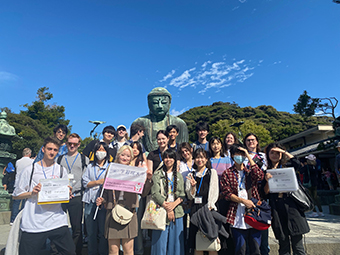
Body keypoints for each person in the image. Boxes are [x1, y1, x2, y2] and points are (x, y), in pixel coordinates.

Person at [12, 136, 75, 255]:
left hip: (57, 219)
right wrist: (32, 193)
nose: (52, 152)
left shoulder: (61, 170)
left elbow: (64, 193)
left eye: (55, 150)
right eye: (49, 149)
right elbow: (16, 195)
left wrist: (68, 193)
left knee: (69, 251)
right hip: (34, 221)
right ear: (43, 149)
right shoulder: (30, 170)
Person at [96, 145, 152, 255]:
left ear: (131, 158)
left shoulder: (136, 172)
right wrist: (102, 200)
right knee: (113, 250)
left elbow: (143, 193)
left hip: (129, 211)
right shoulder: (111, 169)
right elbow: (106, 190)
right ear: (118, 155)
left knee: (128, 250)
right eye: (123, 155)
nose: (125, 158)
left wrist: (148, 180)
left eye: (128, 156)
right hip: (113, 211)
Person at [263, 143, 309, 255]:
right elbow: (265, 192)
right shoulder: (266, 170)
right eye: (272, 152)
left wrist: (284, 151)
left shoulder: (288, 166)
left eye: (277, 152)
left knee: (298, 246)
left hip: (292, 207)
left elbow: (297, 163)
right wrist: (268, 181)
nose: (274, 155)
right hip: (277, 207)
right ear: (267, 155)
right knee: (283, 245)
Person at [220, 144, 264, 255]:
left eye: (241, 154)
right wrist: (243, 201)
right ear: (232, 156)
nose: (239, 156)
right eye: (237, 154)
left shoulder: (249, 172)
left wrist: (248, 156)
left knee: (256, 249)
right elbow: (226, 193)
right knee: (240, 249)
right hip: (236, 215)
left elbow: (260, 176)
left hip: (253, 214)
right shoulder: (227, 173)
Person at [57, 133, 90, 255]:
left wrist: (73, 190)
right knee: (58, 225)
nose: (72, 146)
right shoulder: (59, 159)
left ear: (79, 145)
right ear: (66, 143)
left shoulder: (83, 159)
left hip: (76, 196)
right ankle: (58, 251)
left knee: (77, 227)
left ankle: (76, 251)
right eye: (70, 143)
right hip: (61, 195)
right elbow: (56, 177)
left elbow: (85, 177)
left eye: (74, 144)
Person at [131, 87, 189, 152]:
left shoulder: (179, 123)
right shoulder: (139, 123)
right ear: (149, 104)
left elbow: (184, 149)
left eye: (164, 103)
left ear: (169, 104)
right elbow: (135, 148)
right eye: (155, 103)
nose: (160, 106)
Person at [151, 149, 185, 255]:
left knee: (176, 244)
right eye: (166, 157)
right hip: (160, 211)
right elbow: (155, 193)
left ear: (174, 160)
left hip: (177, 212)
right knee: (159, 243)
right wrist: (167, 207)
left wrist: (172, 206)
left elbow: (182, 194)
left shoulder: (178, 176)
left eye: (171, 157)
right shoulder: (157, 175)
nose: (168, 160)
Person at [186, 148, 219, 255]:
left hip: (208, 209)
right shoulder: (191, 174)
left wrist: (210, 207)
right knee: (197, 244)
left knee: (211, 243)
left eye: (202, 157)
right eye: (197, 157)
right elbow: (190, 196)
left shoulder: (211, 172)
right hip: (195, 211)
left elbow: (214, 191)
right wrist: (193, 187)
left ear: (206, 159)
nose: (199, 160)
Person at [82, 142, 110, 255]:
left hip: (103, 202)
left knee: (103, 231)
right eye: (99, 149)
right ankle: (92, 252)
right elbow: (85, 182)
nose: (101, 152)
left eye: (103, 150)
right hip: (90, 200)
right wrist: (98, 182)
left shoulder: (110, 167)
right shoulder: (90, 166)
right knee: (91, 231)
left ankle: (103, 252)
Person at [12, 148, 34, 224]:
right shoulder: (31, 161)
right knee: (24, 202)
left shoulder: (18, 161)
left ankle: (13, 218)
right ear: (29, 154)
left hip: (17, 182)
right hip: (26, 183)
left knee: (16, 202)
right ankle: (22, 217)